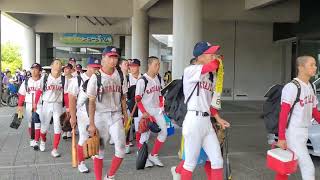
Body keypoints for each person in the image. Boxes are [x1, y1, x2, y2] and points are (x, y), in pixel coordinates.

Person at [177, 42, 230, 180]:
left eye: (214, 53)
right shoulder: (190, 70)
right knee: (190, 163)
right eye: (210, 53)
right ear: (200, 56)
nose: (213, 55)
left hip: (206, 122)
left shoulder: (210, 76)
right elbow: (213, 65)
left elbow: (210, 104)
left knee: (217, 161)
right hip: (193, 120)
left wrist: (218, 119)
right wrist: (218, 61)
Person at [87, 46, 128, 180]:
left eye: (115, 57)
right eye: (110, 56)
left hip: (116, 114)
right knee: (100, 151)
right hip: (100, 116)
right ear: (103, 58)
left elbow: (123, 96)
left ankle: (109, 176)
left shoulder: (121, 75)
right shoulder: (95, 77)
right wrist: (91, 124)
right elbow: (91, 102)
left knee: (121, 148)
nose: (113, 59)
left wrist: (125, 114)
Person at [277, 56, 320, 180]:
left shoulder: (311, 87)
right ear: (301, 67)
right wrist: (281, 137)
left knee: (286, 166)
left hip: (304, 132)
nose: (315, 67)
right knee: (308, 167)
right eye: (311, 65)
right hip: (293, 133)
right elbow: (283, 114)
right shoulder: (291, 87)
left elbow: (314, 111)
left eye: (315, 65)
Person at [68, 56, 101, 173]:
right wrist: (72, 116)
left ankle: (94, 155)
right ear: (87, 67)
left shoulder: (100, 78)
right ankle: (81, 162)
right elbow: (71, 99)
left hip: (98, 113)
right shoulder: (77, 80)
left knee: (96, 137)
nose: (96, 70)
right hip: (82, 113)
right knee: (83, 137)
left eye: (98, 67)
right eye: (93, 67)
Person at [135, 56, 166, 168]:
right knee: (144, 137)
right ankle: (142, 156)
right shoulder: (142, 80)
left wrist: (162, 106)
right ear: (149, 65)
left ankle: (154, 155)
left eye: (158, 64)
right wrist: (144, 112)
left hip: (157, 110)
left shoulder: (159, 77)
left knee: (164, 132)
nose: (158, 67)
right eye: (155, 64)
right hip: (145, 111)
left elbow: (161, 94)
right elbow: (137, 99)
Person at [34, 59, 69, 158]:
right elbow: (39, 92)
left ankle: (55, 149)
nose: (58, 65)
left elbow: (66, 94)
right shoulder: (44, 78)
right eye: (56, 63)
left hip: (58, 105)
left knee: (58, 127)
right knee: (44, 127)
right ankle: (43, 140)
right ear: (52, 66)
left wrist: (67, 107)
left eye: (60, 64)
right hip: (46, 104)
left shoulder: (64, 79)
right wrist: (35, 104)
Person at [17, 63, 42, 150]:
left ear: (40, 71)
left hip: (40, 104)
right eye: (32, 69)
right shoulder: (27, 81)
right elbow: (22, 94)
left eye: (36, 69)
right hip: (29, 104)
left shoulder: (43, 81)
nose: (34, 70)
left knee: (37, 120)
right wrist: (20, 105)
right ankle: (32, 138)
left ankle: (36, 140)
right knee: (30, 122)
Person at [126, 59, 142, 154]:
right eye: (131, 66)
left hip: (141, 106)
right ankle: (127, 144)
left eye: (134, 66)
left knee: (139, 127)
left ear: (139, 67)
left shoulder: (144, 78)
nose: (132, 68)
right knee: (127, 125)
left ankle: (140, 146)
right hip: (129, 105)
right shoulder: (126, 78)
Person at [62, 63, 73, 140]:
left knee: (70, 115)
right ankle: (64, 131)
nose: (65, 70)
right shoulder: (61, 78)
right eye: (64, 68)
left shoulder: (75, 79)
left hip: (71, 97)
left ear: (71, 70)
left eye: (67, 68)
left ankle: (69, 130)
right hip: (62, 98)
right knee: (63, 115)